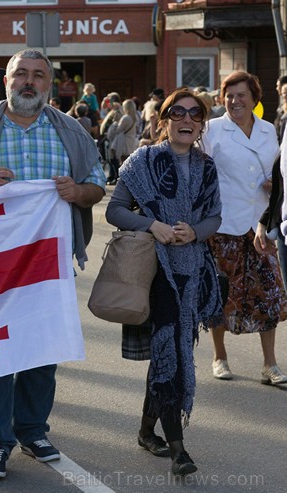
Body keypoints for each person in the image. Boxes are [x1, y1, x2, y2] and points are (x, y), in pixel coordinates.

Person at [0, 49, 106, 479]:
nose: (29, 82)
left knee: (42, 347)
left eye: (39, 76)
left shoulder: (71, 131)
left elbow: (97, 186)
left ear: (50, 83)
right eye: (21, 75)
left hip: (48, 263)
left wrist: (76, 192)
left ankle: (32, 430)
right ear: (6, 80)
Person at [106, 88, 223, 476]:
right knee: (171, 353)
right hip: (154, 273)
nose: (187, 120)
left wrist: (196, 233)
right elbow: (115, 210)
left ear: (201, 124)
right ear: (164, 120)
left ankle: (145, 430)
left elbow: (215, 217)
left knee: (168, 350)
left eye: (195, 114)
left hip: (191, 273)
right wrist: (152, 224)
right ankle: (178, 450)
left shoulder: (207, 167)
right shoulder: (143, 160)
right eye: (178, 112)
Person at [201, 71, 287, 386]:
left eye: (241, 95)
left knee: (270, 294)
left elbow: (282, 171)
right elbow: (201, 173)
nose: (235, 101)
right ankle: (219, 356)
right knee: (222, 294)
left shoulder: (269, 130)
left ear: (254, 98)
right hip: (224, 225)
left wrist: (275, 184)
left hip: (262, 225)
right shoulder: (213, 129)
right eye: (229, 95)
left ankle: (270, 364)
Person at [106, 99, 140, 184]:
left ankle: (123, 179)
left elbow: (118, 130)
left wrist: (115, 123)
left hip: (124, 141)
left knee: (122, 161)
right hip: (131, 140)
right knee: (128, 161)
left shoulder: (126, 118)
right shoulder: (135, 116)